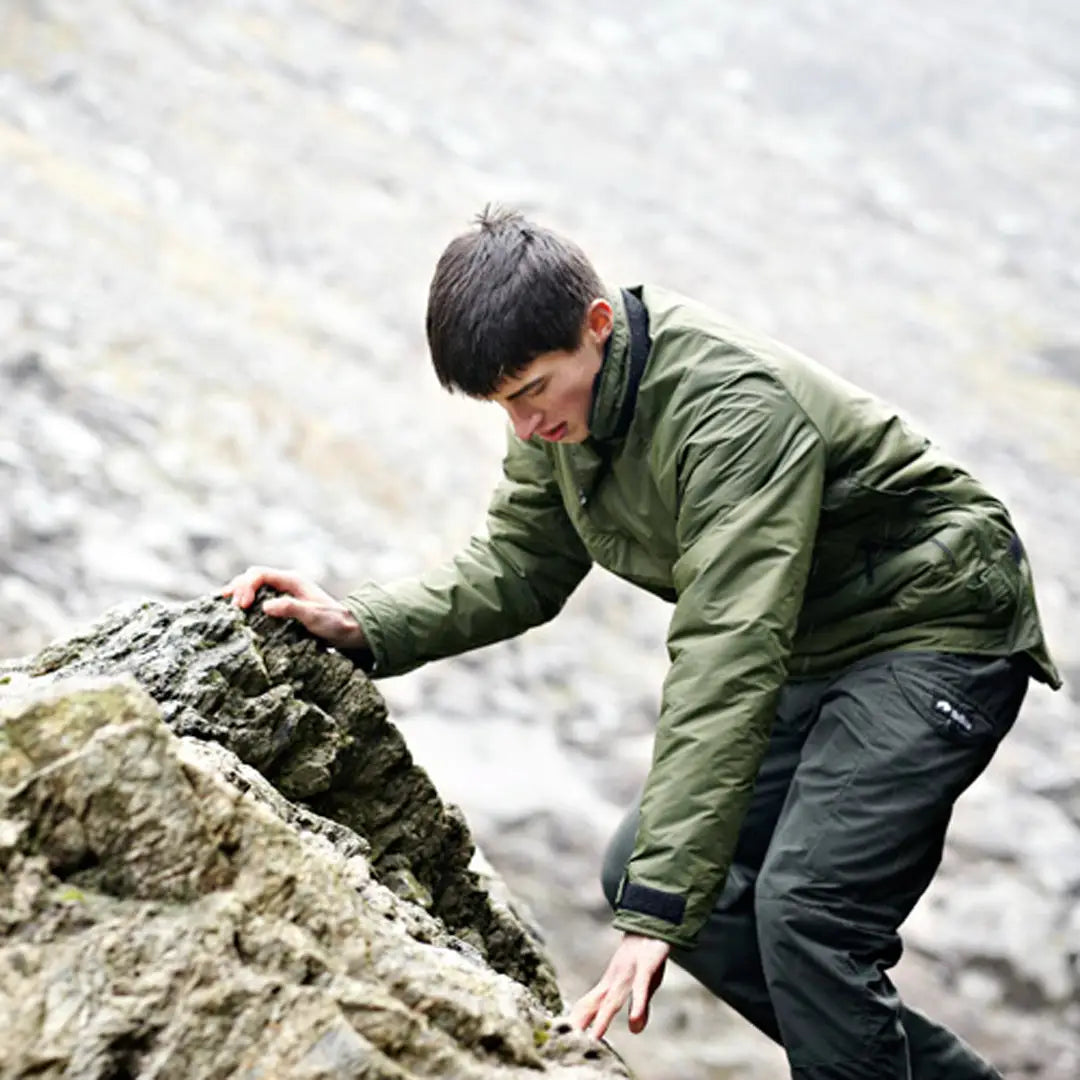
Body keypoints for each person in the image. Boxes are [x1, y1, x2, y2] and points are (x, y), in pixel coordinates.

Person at [223, 207, 1060, 1080]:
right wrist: (364, 622)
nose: (524, 426)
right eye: (502, 404)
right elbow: (520, 563)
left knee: (809, 914)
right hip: (819, 639)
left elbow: (727, 650)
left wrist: (657, 917)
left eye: (533, 390)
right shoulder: (565, 415)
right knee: (644, 872)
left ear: (597, 325)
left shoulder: (731, 412)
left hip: (934, 624)